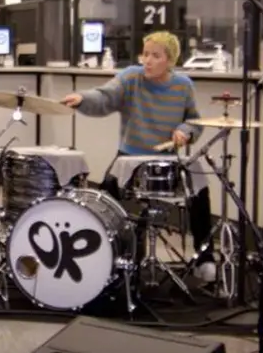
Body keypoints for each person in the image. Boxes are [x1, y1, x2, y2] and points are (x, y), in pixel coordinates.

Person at [61, 31, 217, 284]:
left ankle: (205, 257)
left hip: (166, 159)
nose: (147, 60)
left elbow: (194, 121)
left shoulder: (183, 86)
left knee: (199, 188)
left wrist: (185, 132)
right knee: (105, 199)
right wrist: (82, 99)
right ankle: (103, 256)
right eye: (145, 54)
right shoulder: (131, 77)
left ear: (170, 60)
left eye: (156, 56)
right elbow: (105, 96)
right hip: (129, 157)